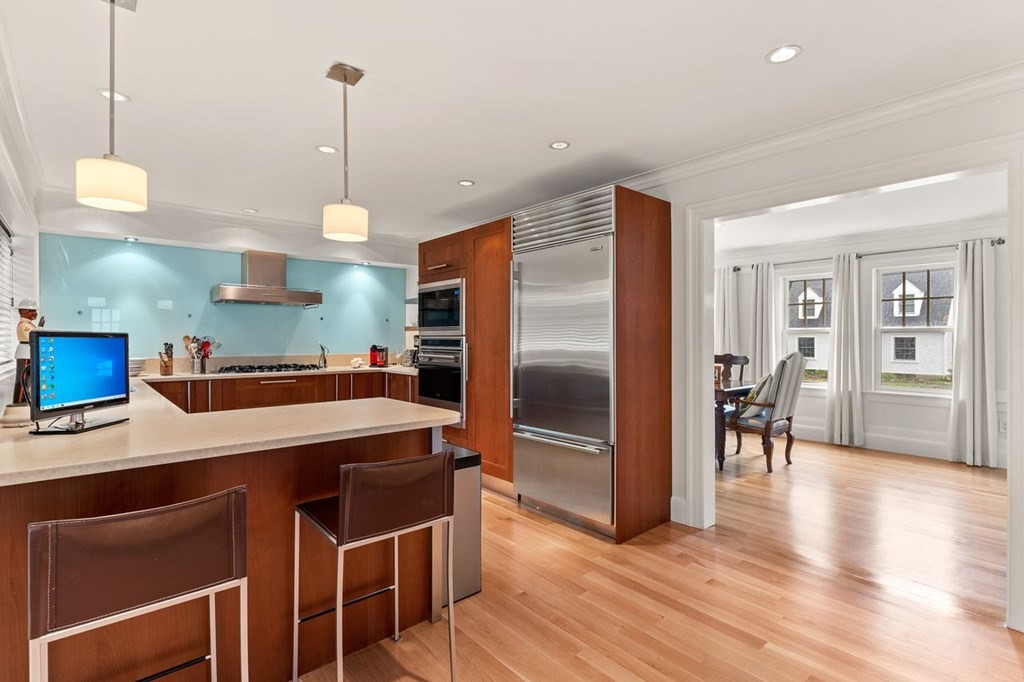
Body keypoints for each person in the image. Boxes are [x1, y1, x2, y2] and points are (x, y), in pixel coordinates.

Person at [12, 299, 44, 405]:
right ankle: (20, 400)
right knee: (23, 378)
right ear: (24, 311)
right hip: (25, 352)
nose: (35, 313)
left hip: (28, 352)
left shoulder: (28, 324)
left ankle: (25, 399)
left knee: (28, 378)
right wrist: (40, 327)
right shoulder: (24, 325)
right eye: (32, 311)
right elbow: (31, 336)